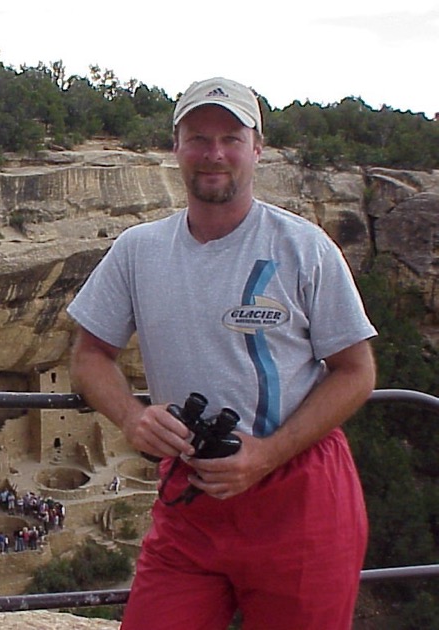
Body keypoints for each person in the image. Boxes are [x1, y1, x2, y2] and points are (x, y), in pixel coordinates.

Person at [67, 76, 377, 629]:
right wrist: (133, 417)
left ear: (257, 149)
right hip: (193, 497)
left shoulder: (302, 248)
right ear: (176, 149)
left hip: (299, 497)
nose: (214, 154)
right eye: (198, 137)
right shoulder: (140, 251)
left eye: (231, 138)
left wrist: (268, 453)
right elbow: (90, 354)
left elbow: (356, 371)